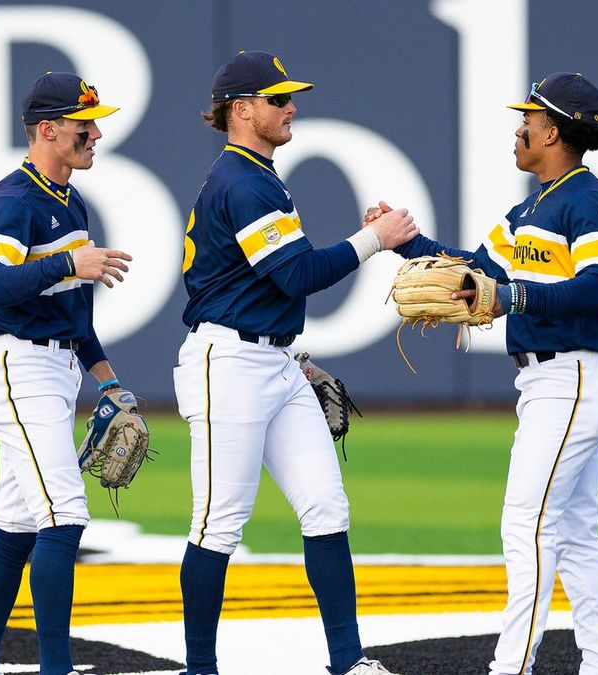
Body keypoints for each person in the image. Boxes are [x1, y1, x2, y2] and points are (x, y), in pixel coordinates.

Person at [369, 72, 598, 675]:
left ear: (556, 131)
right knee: (574, 535)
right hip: (549, 382)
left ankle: (511, 666)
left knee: (526, 524)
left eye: (530, 120)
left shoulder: (586, 200)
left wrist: (515, 299)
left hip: (573, 377)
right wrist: (404, 242)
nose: (520, 128)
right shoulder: (531, 205)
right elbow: (473, 270)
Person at [173, 51, 418, 675]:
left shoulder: (256, 174)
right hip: (226, 362)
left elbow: (278, 286)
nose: (291, 107)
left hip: (271, 360)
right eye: (278, 99)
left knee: (326, 507)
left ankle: (348, 661)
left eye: (289, 97)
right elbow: (297, 275)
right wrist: (376, 240)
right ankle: (199, 667)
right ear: (241, 109)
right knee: (218, 523)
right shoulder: (243, 179)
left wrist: (285, 351)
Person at [0, 71, 134, 675]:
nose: (96, 133)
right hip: (16, 364)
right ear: (47, 129)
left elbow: (72, 311)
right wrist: (67, 261)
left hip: (55, 368)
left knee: (16, 523)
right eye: (84, 123)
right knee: (64, 514)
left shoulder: (70, 200)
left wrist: (108, 380)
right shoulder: (14, 200)